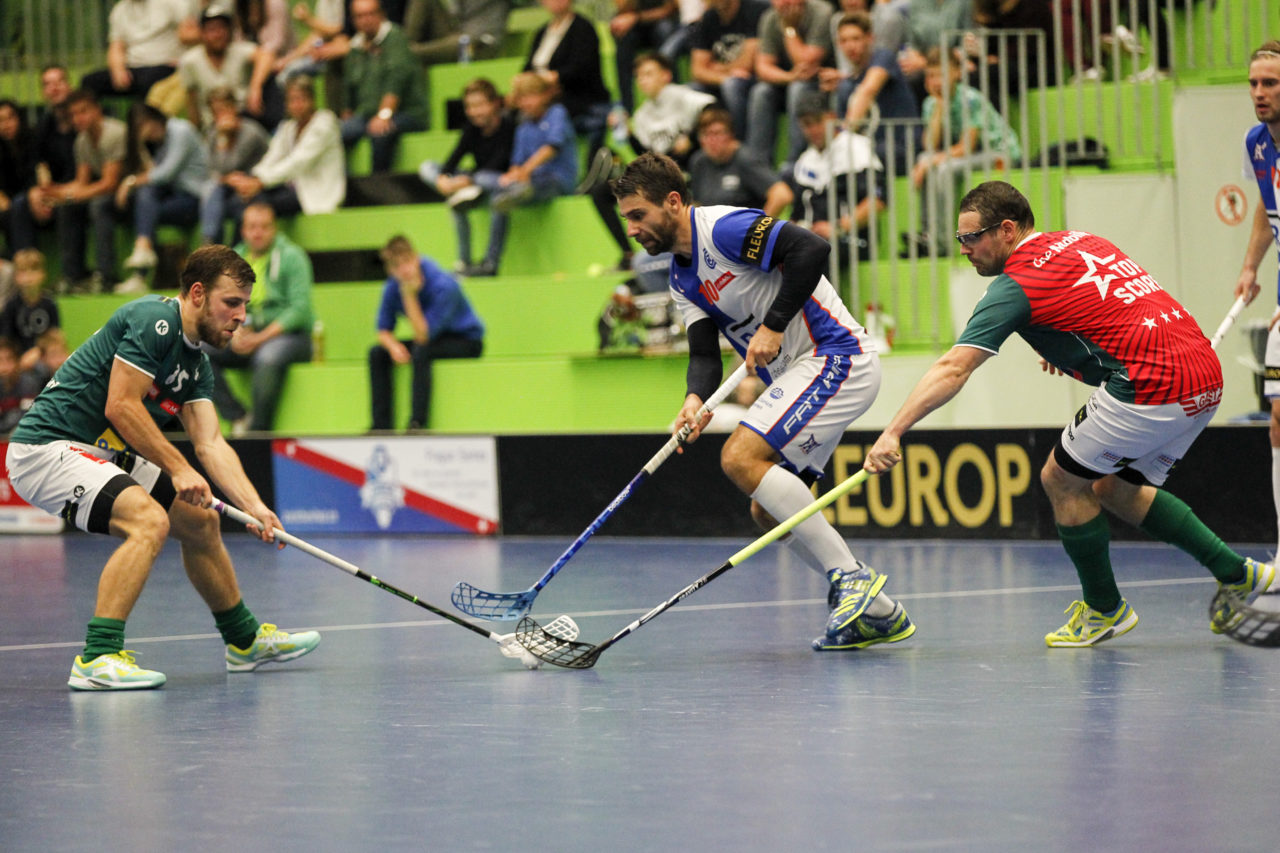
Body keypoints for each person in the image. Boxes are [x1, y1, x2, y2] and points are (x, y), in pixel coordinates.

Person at [864, 180, 1277, 646]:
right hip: (1204, 373)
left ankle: (1104, 610)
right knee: (1114, 487)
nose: (964, 250)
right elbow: (1108, 305)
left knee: (1060, 479)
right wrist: (1063, 344)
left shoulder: (1015, 284)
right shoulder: (1084, 241)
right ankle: (1240, 573)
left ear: (1006, 230)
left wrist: (894, 431)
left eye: (970, 238)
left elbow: (953, 368)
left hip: (1150, 383)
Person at [611, 151, 912, 650]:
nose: (633, 229)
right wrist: (693, 400)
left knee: (740, 457)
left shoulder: (725, 229)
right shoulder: (681, 278)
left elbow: (811, 249)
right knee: (768, 514)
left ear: (671, 201)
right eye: (627, 220)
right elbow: (705, 354)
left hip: (834, 355)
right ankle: (879, 612)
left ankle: (850, 578)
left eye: (638, 215)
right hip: (800, 373)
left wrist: (773, 325)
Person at [4, 244, 321, 690]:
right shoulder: (153, 322)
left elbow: (210, 443)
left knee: (199, 523)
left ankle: (244, 642)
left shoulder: (196, 363)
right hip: (46, 449)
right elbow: (120, 406)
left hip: (99, 451)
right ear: (196, 294)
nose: (241, 316)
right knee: (148, 521)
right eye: (232, 303)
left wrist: (255, 507)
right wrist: (177, 467)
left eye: (246, 305)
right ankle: (97, 658)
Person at [203, 203, 314, 434]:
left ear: (274, 229)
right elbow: (223, 305)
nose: (258, 233)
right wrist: (234, 333)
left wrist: (260, 338)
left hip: (291, 337)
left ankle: (258, 433)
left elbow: (300, 310)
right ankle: (238, 416)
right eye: (252, 227)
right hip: (246, 332)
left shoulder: (293, 257)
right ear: (243, 230)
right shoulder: (233, 261)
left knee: (268, 357)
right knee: (199, 349)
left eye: (264, 227)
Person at [1234, 43, 1280, 562]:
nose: (1259, 93)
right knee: (1277, 416)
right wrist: (1249, 267)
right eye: (1253, 84)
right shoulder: (1256, 143)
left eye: (1270, 83)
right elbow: (1267, 210)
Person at [463, 72, 578, 277]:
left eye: (530, 96)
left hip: (556, 180)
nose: (526, 102)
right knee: (493, 191)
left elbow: (552, 147)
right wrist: (514, 175)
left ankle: (517, 191)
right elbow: (516, 162)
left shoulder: (556, 113)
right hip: (526, 182)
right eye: (522, 98)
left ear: (544, 96)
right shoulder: (524, 125)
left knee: (508, 192)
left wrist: (525, 171)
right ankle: (491, 263)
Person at [910, 47, 1021, 254]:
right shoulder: (931, 103)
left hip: (998, 152)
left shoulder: (970, 99)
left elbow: (967, 146)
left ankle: (942, 242)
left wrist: (932, 161)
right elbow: (930, 146)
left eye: (941, 74)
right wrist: (939, 108)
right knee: (924, 158)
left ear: (956, 73)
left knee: (945, 168)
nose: (936, 81)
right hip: (973, 154)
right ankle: (927, 233)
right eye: (931, 75)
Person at [369, 235, 484, 431]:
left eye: (407, 261)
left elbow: (423, 335)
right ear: (390, 270)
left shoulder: (444, 285)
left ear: (416, 258)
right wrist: (393, 346)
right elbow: (383, 330)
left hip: (466, 340)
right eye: (396, 266)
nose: (404, 270)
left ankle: (417, 423)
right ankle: (381, 426)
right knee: (377, 353)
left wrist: (409, 295)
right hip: (431, 339)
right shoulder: (391, 286)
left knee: (421, 350)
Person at [20, 90, 127, 292]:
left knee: (98, 205)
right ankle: (73, 276)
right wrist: (53, 192)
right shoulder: (82, 141)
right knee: (67, 208)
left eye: (83, 112)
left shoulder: (115, 133)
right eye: (73, 115)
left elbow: (109, 183)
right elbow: (81, 182)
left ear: (97, 111)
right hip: (110, 191)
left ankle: (106, 276)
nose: (78, 118)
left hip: (132, 189)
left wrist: (69, 195)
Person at [416, 78, 516, 273]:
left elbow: (499, 163)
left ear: (495, 103)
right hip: (472, 182)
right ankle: (464, 262)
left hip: (498, 182)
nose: (474, 112)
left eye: (479, 105)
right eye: (469, 106)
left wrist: (467, 180)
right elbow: (453, 160)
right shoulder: (470, 129)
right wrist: (444, 179)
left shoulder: (508, 126)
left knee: (489, 188)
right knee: (428, 167)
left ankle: (490, 263)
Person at [222, 76, 346, 234]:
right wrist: (252, 179)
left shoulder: (325, 123)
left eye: (301, 99)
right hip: (290, 188)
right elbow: (271, 157)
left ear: (312, 100)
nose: (297, 105)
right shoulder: (288, 127)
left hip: (314, 193)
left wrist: (260, 183)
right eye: (292, 100)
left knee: (257, 204)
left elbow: (298, 162)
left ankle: (239, 253)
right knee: (238, 201)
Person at [117, 104, 210, 293]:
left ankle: (140, 270)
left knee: (145, 210)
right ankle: (142, 254)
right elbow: (154, 172)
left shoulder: (180, 130)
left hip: (195, 198)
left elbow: (166, 173)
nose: (144, 132)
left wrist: (130, 182)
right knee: (145, 196)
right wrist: (142, 148)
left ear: (152, 119)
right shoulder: (161, 142)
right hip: (174, 196)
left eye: (143, 126)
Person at [8, 67, 82, 291]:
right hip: (53, 193)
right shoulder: (43, 126)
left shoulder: (81, 121)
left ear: (69, 85)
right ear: (43, 92)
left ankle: (72, 278)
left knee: (67, 207)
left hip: (79, 192)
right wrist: (36, 192)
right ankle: (25, 275)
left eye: (59, 81)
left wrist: (58, 194)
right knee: (20, 204)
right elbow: (35, 164)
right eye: (48, 84)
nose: (55, 87)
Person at [819, 12, 917, 172]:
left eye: (856, 38)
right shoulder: (847, 85)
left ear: (870, 38)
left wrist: (843, 139)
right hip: (869, 151)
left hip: (900, 148)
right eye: (844, 41)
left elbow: (868, 90)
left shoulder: (884, 58)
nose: (850, 46)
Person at [339, 0, 430, 172]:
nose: (366, 20)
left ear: (381, 14)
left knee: (380, 132)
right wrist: (347, 115)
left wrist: (384, 114)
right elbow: (348, 88)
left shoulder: (395, 38)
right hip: (366, 115)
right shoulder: (355, 47)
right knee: (338, 134)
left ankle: (379, 188)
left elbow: (396, 80)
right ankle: (343, 190)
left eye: (370, 14)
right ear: (353, 20)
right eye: (360, 16)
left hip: (406, 113)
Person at [787, 92, 883, 248]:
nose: (813, 129)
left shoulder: (856, 148)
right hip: (810, 240)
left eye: (818, 121)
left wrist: (838, 227)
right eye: (806, 124)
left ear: (832, 117)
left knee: (811, 254)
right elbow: (796, 215)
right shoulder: (805, 160)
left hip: (851, 238)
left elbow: (877, 200)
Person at [747, 0, 833, 168]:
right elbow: (763, 67)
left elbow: (805, 61)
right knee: (761, 92)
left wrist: (789, 28)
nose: (785, 3)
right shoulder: (770, 17)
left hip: (821, 84)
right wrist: (789, 77)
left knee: (798, 89)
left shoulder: (821, 12)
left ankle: (794, 162)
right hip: (789, 81)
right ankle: (757, 165)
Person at [81, 0, 198, 101]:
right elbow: (116, 47)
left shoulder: (172, 3)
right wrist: (118, 70)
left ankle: (144, 123)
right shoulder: (119, 11)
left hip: (165, 65)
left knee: (147, 81)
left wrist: (183, 57)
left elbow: (190, 33)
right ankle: (102, 122)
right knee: (89, 82)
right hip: (133, 68)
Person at [687, 104, 793, 214]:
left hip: (742, 228)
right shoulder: (698, 162)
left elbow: (782, 195)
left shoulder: (745, 159)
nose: (712, 140)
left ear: (731, 135)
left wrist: (760, 228)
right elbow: (697, 204)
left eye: (717, 133)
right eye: (705, 134)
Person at [199, 87, 271, 245]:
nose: (221, 116)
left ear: (234, 108)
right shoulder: (213, 133)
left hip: (256, 189)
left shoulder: (251, 132)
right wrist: (225, 179)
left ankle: (230, 252)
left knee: (226, 197)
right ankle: (209, 243)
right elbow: (210, 169)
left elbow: (229, 166)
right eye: (216, 111)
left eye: (224, 109)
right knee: (213, 191)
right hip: (229, 190)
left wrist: (224, 139)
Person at [689, 0, 768, 141]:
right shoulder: (708, 18)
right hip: (728, 80)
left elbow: (747, 64)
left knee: (733, 86)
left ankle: (738, 143)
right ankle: (700, 149)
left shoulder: (755, 10)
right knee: (692, 89)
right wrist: (725, 76)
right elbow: (697, 71)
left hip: (755, 79)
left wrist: (716, 66)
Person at [179, 5, 266, 132]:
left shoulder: (239, 50)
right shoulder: (190, 61)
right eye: (212, 29)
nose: (218, 35)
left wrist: (255, 87)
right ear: (202, 33)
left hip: (243, 120)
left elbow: (265, 55)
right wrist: (196, 132)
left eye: (222, 28)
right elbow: (192, 102)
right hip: (211, 125)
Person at [626, 53, 717, 167]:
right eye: (639, 76)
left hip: (694, 163)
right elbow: (646, 155)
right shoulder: (641, 114)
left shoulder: (682, 95)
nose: (642, 80)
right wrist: (629, 135)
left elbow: (712, 109)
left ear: (666, 75)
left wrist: (691, 139)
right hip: (668, 172)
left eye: (648, 74)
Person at [611, 0, 680, 116]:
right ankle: (626, 107)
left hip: (661, 23)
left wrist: (637, 18)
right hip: (637, 27)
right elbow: (623, 11)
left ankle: (673, 99)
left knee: (664, 30)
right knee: (623, 43)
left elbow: (670, 10)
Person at [0, 249, 60, 374]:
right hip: (16, 362)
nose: (28, 278)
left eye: (33, 271)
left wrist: (38, 352)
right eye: (23, 272)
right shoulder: (11, 306)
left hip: (44, 359)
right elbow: (6, 340)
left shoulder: (50, 304)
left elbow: (55, 337)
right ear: (16, 277)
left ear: (43, 274)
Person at [402, 0, 510, 64]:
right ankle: (406, 46)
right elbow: (453, 13)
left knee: (463, 42)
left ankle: (404, 54)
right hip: (458, 34)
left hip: (481, 45)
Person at [0, 99, 36, 257]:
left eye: (10, 118)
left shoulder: (34, 141)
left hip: (34, 198)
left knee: (18, 204)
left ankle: (25, 261)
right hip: (9, 203)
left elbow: (38, 177)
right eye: (0, 121)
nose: (6, 124)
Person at [0, 336, 43, 434]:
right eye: (0, 360)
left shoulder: (29, 383)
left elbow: (28, 419)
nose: (4, 366)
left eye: (9, 359)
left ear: (17, 362)